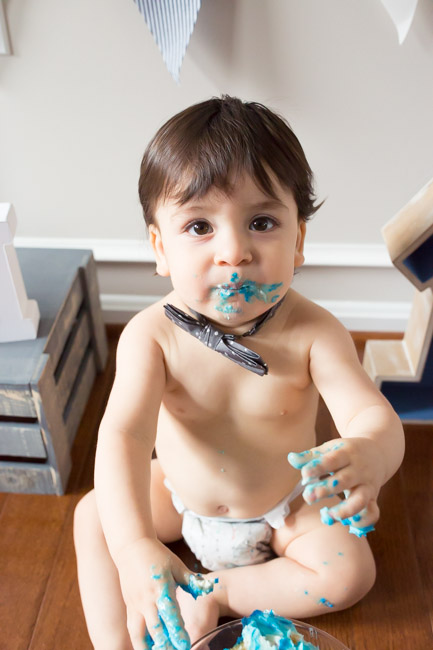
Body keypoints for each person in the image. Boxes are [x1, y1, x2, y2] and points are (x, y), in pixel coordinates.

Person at [74, 96, 405, 650]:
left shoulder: (313, 331)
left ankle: (213, 593)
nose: (234, 252)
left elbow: (370, 413)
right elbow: (125, 436)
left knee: (350, 574)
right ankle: (118, 638)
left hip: (285, 504)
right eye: (199, 226)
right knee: (93, 517)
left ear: (298, 240)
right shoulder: (151, 335)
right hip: (182, 495)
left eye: (261, 222)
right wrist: (133, 547)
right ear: (160, 248)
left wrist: (371, 452)